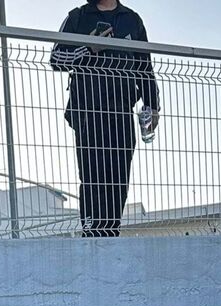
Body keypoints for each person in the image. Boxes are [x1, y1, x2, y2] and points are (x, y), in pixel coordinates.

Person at [51, 0, 160, 237]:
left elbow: (144, 66)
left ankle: (111, 230)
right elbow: (56, 59)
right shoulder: (78, 16)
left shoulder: (132, 19)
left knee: (119, 176)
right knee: (93, 175)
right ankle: (92, 230)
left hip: (121, 110)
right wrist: (88, 48)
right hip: (87, 109)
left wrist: (152, 105)